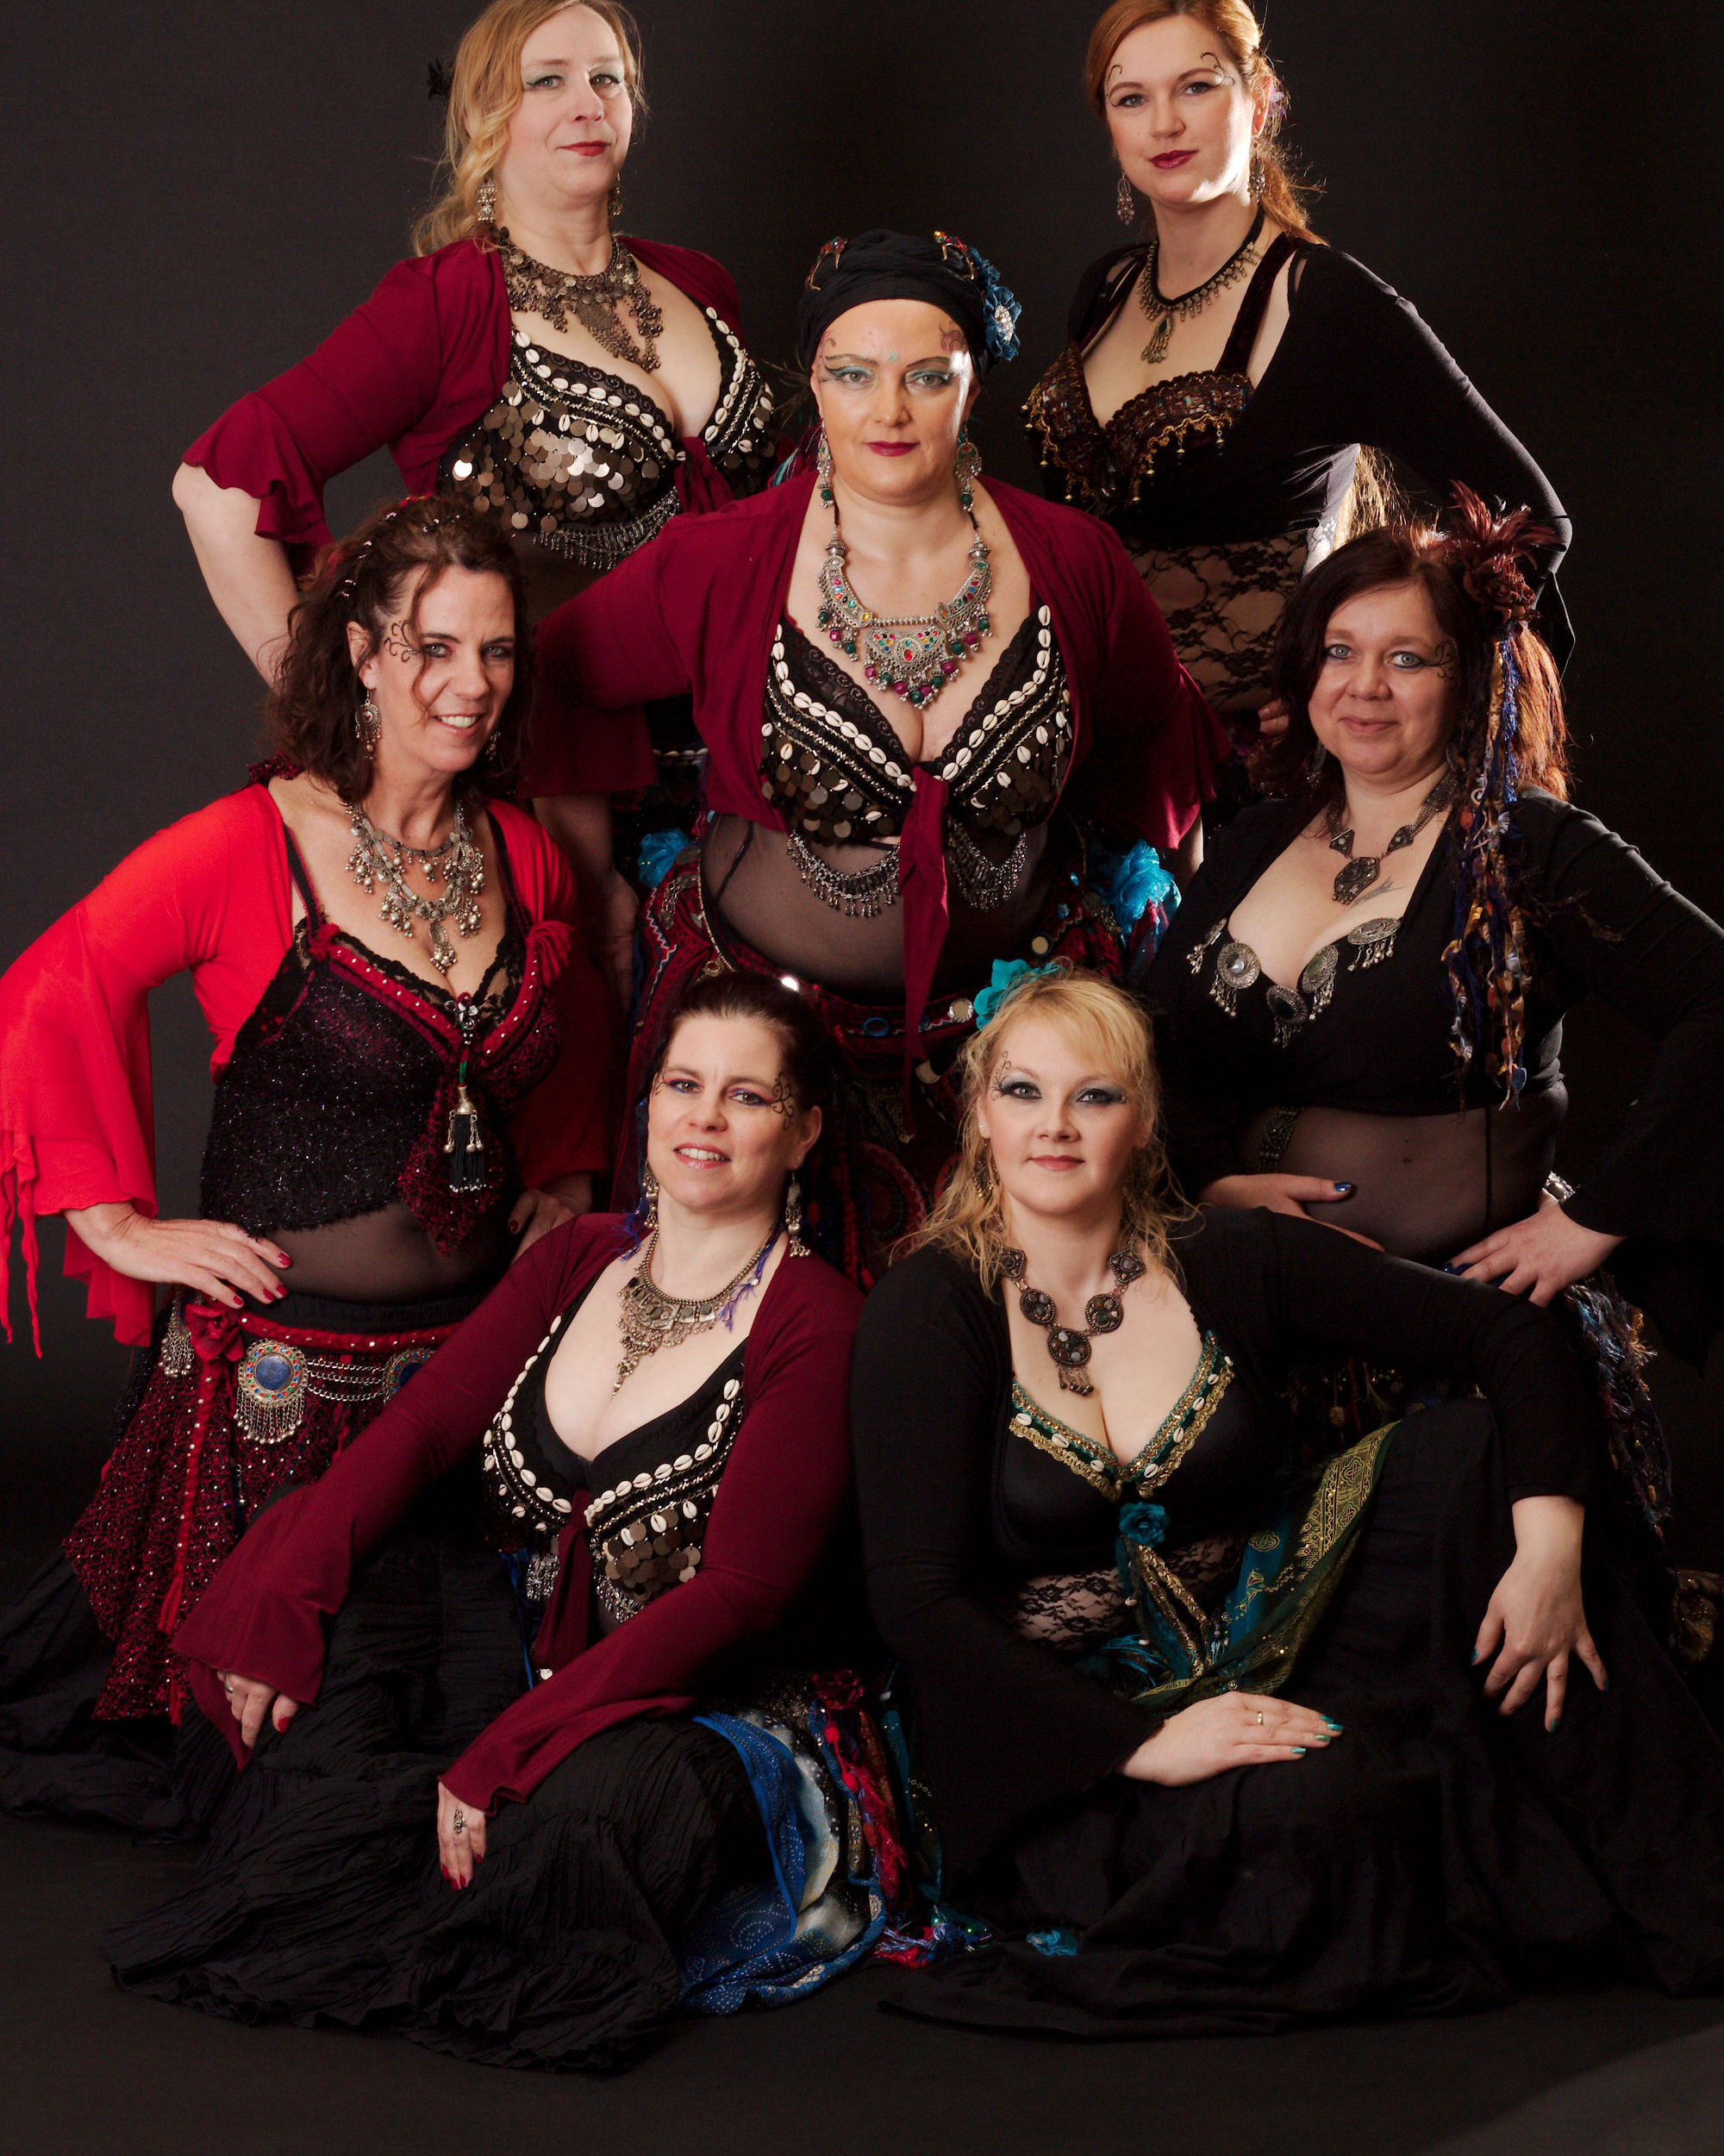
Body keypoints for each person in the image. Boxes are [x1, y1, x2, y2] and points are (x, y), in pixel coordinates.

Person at [851, 970, 1724, 2039]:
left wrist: (1544, 1556)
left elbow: (1510, 1335)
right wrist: (1140, 1741)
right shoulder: (928, 1308)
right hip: (1059, 1727)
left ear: (1144, 1119)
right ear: (980, 1114)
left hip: (1257, 1637)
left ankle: (1697, 1899)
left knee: (1463, 1459)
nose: (1054, 1126)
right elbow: (917, 1606)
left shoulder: (1227, 1257)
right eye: (1022, 1092)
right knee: (1321, 1819)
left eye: (1094, 1095)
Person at [104, 973, 890, 2073]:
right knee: (315, 1640)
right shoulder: (579, 1256)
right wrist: (286, 1591)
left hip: (690, 1702)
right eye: (682, 1085)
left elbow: (741, 1596)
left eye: (746, 1097)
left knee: (575, 1832)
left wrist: (510, 1749)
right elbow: (426, 1429)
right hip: (513, 1648)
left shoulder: (815, 1317)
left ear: (801, 1132)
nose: (704, 1119)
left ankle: (435, 1863)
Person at [0, 497, 614, 1830]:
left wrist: (565, 1178)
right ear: (362, 654)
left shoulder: (520, 851)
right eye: (434, 648)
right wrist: (115, 1221)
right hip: (277, 1420)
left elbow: (569, 1019)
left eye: (496, 652)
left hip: (469, 1397)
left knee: (503, 1754)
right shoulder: (252, 846)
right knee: (308, 1776)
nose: (470, 685)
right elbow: (56, 983)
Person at [534, 228, 1221, 1278]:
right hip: (763, 1052)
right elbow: (551, 677)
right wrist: (598, 892)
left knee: (1012, 1337)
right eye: (853, 375)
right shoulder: (720, 561)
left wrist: (1176, 930)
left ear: (971, 384)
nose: (887, 410)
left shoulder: (1073, 559)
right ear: (813, 381)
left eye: (925, 376)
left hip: (1014, 1061)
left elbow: (1159, 730)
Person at [172, 0, 779, 992]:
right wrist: (351, 718)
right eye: (548, 81)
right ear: (483, 117)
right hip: (551, 787)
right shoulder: (450, 301)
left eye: (608, 78)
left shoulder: (697, 282)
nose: (587, 104)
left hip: (741, 769)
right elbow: (215, 486)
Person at [1141, 499, 1724, 1447]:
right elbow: (1157, 1033)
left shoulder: (1525, 847)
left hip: (1452, 1350)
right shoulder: (1255, 837)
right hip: (1245, 1315)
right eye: (1339, 651)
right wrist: (1213, 1183)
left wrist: (1597, 1219)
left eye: (1407, 659)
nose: (1364, 686)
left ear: (1470, 680)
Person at [1022, 0, 1571, 796]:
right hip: (1091, 760)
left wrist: (1354, 667)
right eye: (1131, 98)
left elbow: (1533, 522)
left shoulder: (1330, 303)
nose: (1164, 122)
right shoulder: (1104, 289)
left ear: (1259, 103)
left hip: (1251, 786)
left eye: (1196, 87)